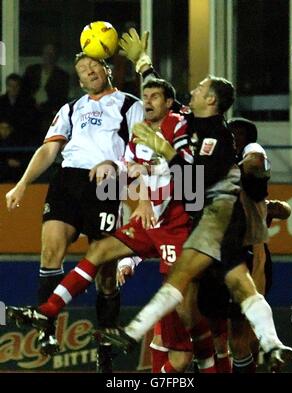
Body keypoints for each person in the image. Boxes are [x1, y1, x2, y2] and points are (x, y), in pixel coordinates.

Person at [99, 29, 292, 372]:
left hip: (217, 221)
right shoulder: (193, 120)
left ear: (213, 102)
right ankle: (273, 344)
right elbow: (166, 100)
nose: (196, 88)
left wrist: (163, 150)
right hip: (211, 223)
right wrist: (143, 63)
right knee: (221, 291)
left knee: (192, 291)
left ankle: (131, 334)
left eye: (203, 87)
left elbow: (195, 177)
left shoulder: (217, 136)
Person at [6, 77, 196, 373]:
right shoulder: (138, 135)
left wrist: (144, 188)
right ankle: (48, 310)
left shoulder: (178, 125)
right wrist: (112, 165)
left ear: (170, 104)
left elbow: (183, 168)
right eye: (145, 96)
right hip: (148, 223)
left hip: (176, 223)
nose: (147, 102)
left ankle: (141, 340)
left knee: (185, 328)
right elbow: (128, 164)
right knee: (99, 252)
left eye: (155, 97)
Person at [5, 52, 144, 372]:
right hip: (68, 180)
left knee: (106, 273)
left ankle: (105, 349)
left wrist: (118, 168)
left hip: (107, 183)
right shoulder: (71, 108)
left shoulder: (129, 104)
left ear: (106, 70)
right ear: (79, 80)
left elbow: (144, 151)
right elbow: (49, 148)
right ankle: (46, 331)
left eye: (94, 65)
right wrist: (23, 183)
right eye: (82, 68)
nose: (89, 70)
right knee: (50, 249)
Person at [22, 44, 70, 134]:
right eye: (46, 53)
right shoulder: (32, 70)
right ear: (42, 55)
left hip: (49, 110)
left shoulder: (61, 75)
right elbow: (24, 90)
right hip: (30, 107)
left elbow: (61, 97)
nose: (49, 56)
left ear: (55, 56)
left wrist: (47, 107)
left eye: (51, 54)